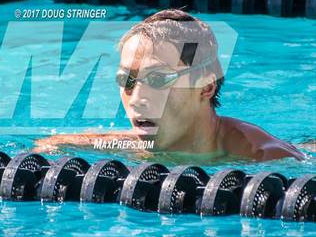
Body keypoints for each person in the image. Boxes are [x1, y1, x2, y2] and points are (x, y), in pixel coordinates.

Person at [34, 9, 305, 161]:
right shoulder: (129, 144)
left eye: (157, 79)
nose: (137, 98)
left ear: (206, 87)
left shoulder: (267, 158)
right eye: (126, 80)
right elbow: (52, 143)